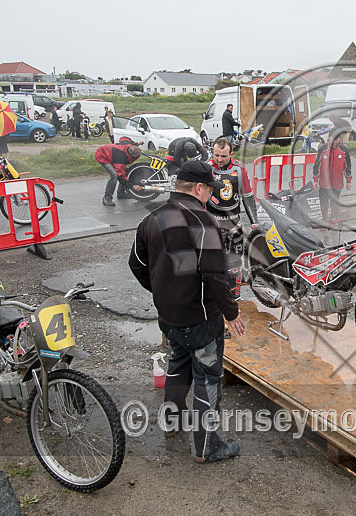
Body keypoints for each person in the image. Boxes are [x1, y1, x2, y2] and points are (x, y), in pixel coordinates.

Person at [128, 160, 246, 464]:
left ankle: (171, 423)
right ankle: (208, 446)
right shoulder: (204, 223)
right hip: (200, 318)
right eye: (209, 190)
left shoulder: (151, 220)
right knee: (207, 377)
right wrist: (231, 313)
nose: (211, 196)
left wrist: (160, 290)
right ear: (198, 188)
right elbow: (214, 276)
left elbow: (137, 264)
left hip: (168, 315)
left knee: (178, 365)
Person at [207, 137, 258, 302]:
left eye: (223, 156)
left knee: (234, 264)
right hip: (211, 225)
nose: (219, 159)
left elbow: (248, 196)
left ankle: (235, 297)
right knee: (211, 264)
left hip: (233, 224)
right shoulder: (206, 168)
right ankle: (213, 297)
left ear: (231, 153)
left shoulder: (239, 168)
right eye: (216, 155)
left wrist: (254, 221)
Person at [312, 126, 352, 221]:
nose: (334, 142)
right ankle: (325, 219)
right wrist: (315, 180)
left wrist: (348, 181)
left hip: (337, 183)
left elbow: (348, 166)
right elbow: (317, 165)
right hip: (324, 183)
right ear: (329, 137)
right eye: (332, 140)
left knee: (335, 201)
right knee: (324, 202)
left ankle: (334, 219)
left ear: (340, 139)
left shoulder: (344, 150)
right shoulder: (322, 149)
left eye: (337, 140)